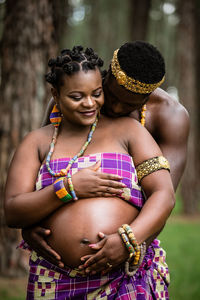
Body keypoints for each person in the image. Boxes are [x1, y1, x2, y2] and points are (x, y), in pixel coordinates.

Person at [4, 46, 174, 299]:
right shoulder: (37, 142)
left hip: (122, 278)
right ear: (56, 94)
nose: (90, 103)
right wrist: (67, 188)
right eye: (76, 96)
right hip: (52, 279)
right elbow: (13, 211)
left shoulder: (130, 131)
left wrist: (129, 240)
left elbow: (164, 194)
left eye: (96, 94)